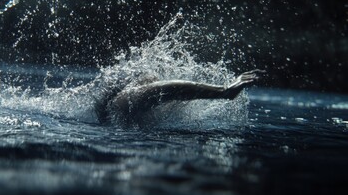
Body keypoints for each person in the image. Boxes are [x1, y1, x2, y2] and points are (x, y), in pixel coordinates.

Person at [95, 69, 265, 124]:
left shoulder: (124, 105)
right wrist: (225, 90)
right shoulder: (127, 97)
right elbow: (174, 89)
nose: (154, 78)